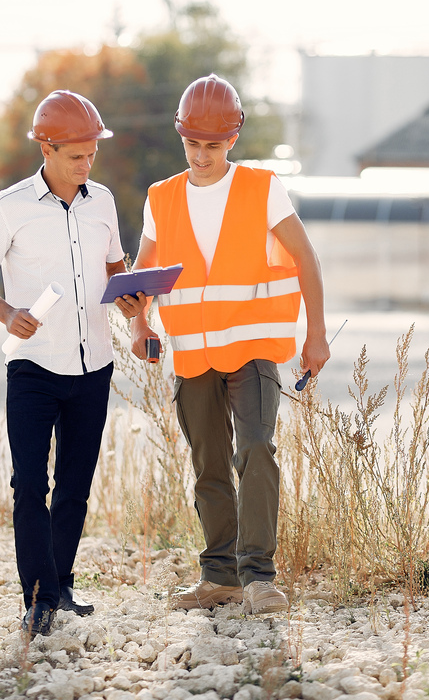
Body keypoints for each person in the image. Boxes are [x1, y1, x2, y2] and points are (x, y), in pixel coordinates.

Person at [121, 74, 330, 615]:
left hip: (255, 347)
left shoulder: (263, 188)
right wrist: (139, 322)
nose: (200, 155)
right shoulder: (160, 198)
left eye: (211, 146)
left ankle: (259, 576)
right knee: (208, 462)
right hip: (193, 354)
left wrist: (316, 335)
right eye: (191, 144)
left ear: (232, 139)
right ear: (181, 137)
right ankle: (219, 577)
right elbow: (144, 274)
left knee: (256, 448)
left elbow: (305, 259)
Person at [0, 90, 138, 636]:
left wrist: (133, 302)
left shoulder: (103, 202)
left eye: (91, 154)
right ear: (46, 147)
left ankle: (60, 587)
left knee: (76, 486)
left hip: (94, 365)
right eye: (74, 155)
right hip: (34, 367)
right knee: (30, 484)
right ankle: (36, 598)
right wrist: (5, 312)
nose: (86, 165)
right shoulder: (9, 206)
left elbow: (116, 273)